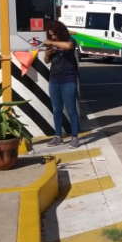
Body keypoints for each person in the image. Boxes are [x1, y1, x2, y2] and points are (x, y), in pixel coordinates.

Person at [43, 20, 80, 148]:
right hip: (54, 79)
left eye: (54, 34)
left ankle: (75, 137)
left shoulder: (70, 40)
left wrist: (52, 42)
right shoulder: (52, 42)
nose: (52, 37)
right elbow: (47, 61)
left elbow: (69, 46)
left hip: (68, 79)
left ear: (60, 32)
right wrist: (47, 54)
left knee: (71, 110)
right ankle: (58, 136)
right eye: (50, 35)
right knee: (56, 110)